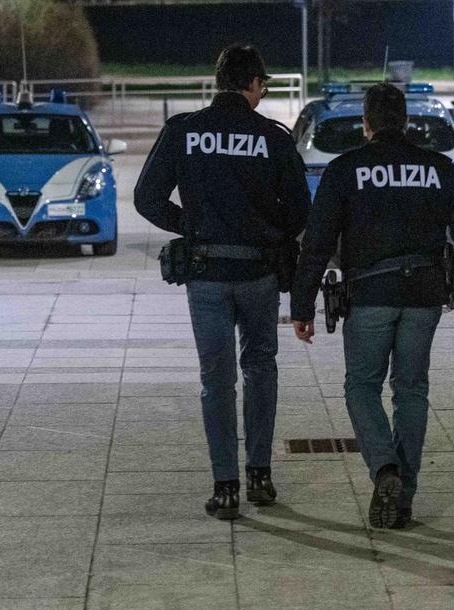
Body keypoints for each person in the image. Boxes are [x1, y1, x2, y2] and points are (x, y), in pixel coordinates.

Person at [290, 83, 454, 529]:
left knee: (361, 386)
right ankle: (405, 496)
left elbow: (316, 243)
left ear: (367, 123)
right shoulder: (437, 168)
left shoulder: (345, 169)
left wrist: (301, 305)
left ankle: (385, 470)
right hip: (424, 296)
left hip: (370, 295)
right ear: (405, 121)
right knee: (411, 391)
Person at [134, 44, 311, 520]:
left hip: (206, 274)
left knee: (216, 380)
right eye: (262, 86)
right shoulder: (272, 137)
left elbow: (147, 198)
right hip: (258, 274)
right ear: (253, 84)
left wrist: (189, 226)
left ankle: (225, 486)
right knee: (261, 370)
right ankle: (260, 475)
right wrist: (268, 230)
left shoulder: (184, 131)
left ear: (218, 83)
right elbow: (300, 211)